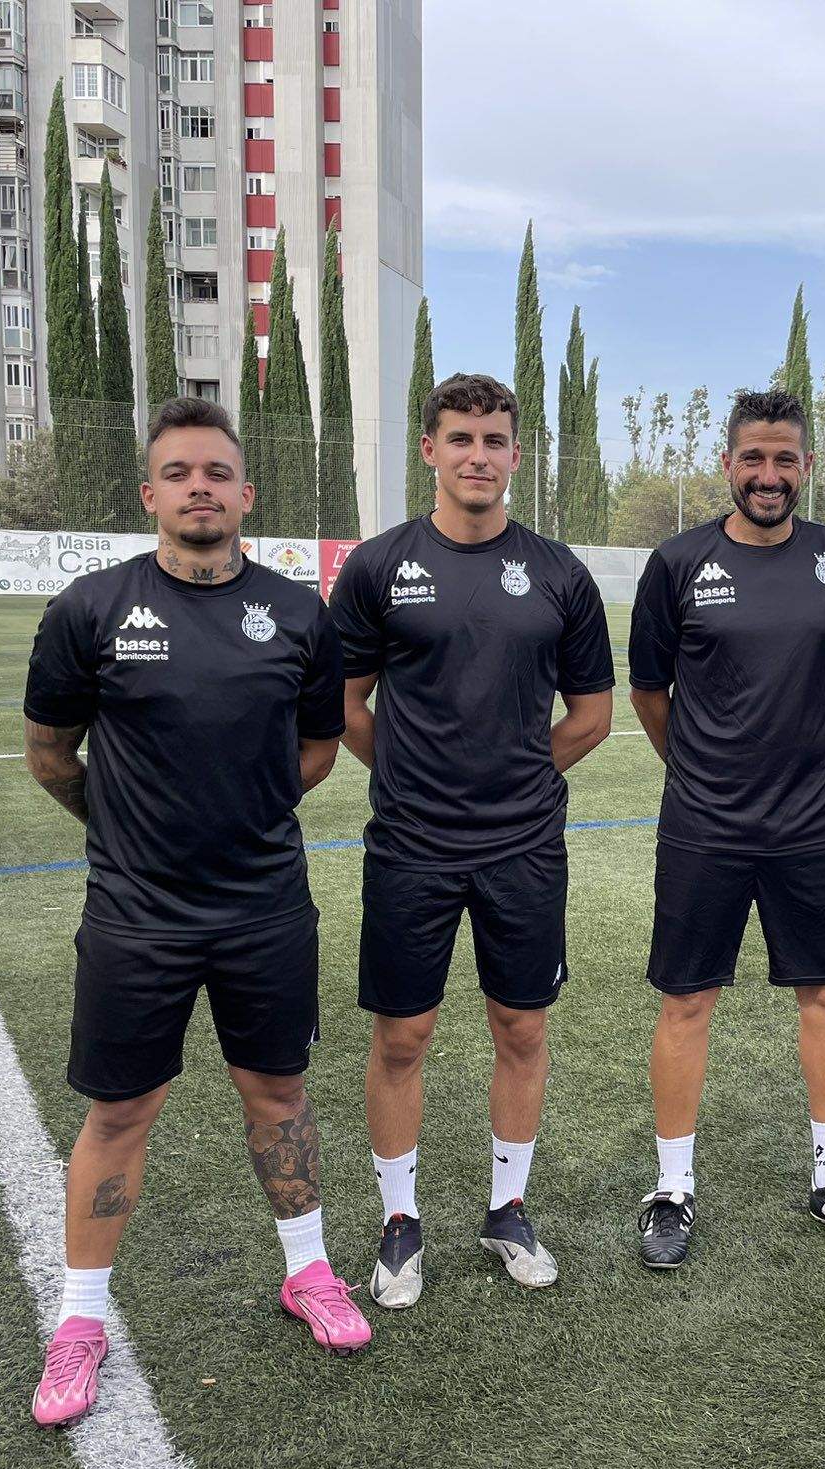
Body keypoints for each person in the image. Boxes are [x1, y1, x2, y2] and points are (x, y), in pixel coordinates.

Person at [23, 396, 364, 1430]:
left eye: (216, 472)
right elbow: (51, 754)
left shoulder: (300, 614)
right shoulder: (89, 610)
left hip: (264, 905)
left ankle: (306, 1272)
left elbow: (313, 750)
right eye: (178, 473)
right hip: (136, 913)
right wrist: (126, 828)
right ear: (150, 495)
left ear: (245, 492)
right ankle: (81, 1319)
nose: (199, 487)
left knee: (279, 1092)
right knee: (121, 1109)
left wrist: (245, 816)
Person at [330, 373, 615, 1307]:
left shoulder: (561, 574)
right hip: (410, 844)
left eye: (495, 440)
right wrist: (409, 774)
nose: (478, 457)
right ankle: (400, 1223)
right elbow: (346, 705)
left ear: (517, 454)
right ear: (429, 450)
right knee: (403, 1033)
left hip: (524, 845)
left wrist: (523, 775)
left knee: (520, 1024)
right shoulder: (378, 567)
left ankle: (507, 1207)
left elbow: (594, 714)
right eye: (460, 440)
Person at [627, 388, 825, 1269]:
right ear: (729, 464)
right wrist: (703, 771)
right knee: (686, 1000)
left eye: (785, 459)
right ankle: (672, 1189)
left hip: (813, 822)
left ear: (807, 466)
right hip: (703, 824)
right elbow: (650, 693)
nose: (768, 475)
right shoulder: (676, 563)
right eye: (754, 458)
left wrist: (811, 758)